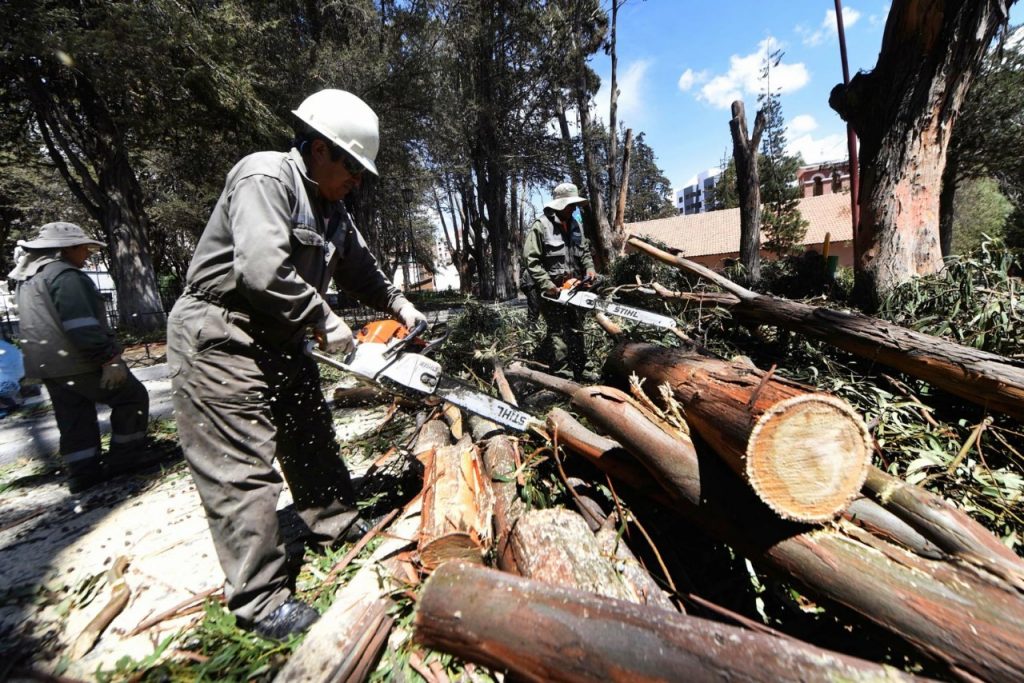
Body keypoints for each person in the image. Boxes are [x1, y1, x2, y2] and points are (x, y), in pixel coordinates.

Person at [166, 89, 426, 640]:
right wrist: (324, 319)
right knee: (242, 466)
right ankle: (259, 600)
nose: (358, 180)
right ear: (319, 150)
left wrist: (401, 305)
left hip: (278, 336)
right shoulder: (266, 178)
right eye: (352, 167)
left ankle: (334, 522)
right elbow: (261, 270)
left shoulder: (332, 210)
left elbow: (362, 270)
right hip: (221, 333)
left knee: (309, 431)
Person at [9, 222, 150, 492]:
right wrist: (109, 359)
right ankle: (125, 459)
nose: (87, 254)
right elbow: (81, 326)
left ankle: (83, 474)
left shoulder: (29, 278)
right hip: (80, 361)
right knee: (132, 397)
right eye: (83, 248)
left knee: (73, 418)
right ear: (66, 249)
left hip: (48, 366)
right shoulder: (65, 276)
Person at [522, 182, 597, 381]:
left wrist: (589, 270)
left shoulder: (575, 224)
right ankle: (564, 376)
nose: (574, 208)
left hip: (573, 287)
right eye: (570, 205)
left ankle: (585, 370)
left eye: (575, 205)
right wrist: (548, 285)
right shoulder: (541, 226)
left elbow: (585, 252)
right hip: (552, 290)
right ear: (559, 204)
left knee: (577, 328)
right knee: (558, 333)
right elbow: (532, 261)